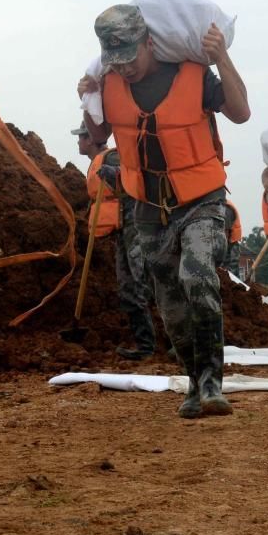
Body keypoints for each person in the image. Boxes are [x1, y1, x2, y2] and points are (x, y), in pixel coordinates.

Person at [78, 4, 251, 419]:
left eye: (130, 58)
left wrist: (222, 57)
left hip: (201, 200)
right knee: (170, 301)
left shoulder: (193, 75)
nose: (125, 69)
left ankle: (212, 384)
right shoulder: (111, 82)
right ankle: (193, 381)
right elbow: (100, 135)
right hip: (149, 208)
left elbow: (241, 113)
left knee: (197, 277)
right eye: (115, 61)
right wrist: (87, 97)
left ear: (149, 43)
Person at [71, 122, 156, 360]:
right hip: (121, 233)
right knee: (128, 288)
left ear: (90, 139)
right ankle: (145, 346)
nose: (78, 142)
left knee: (147, 282)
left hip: (135, 227)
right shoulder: (97, 162)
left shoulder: (113, 158)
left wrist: (116, 176)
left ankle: (181, 343)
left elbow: (134, 186)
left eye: (81, 137)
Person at [223, 200, 243, 278]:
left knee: (232, 269)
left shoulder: (226, 207)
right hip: (228, 240)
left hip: (231, 242)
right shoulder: (222, 204)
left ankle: (234, 286)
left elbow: (225, 231)